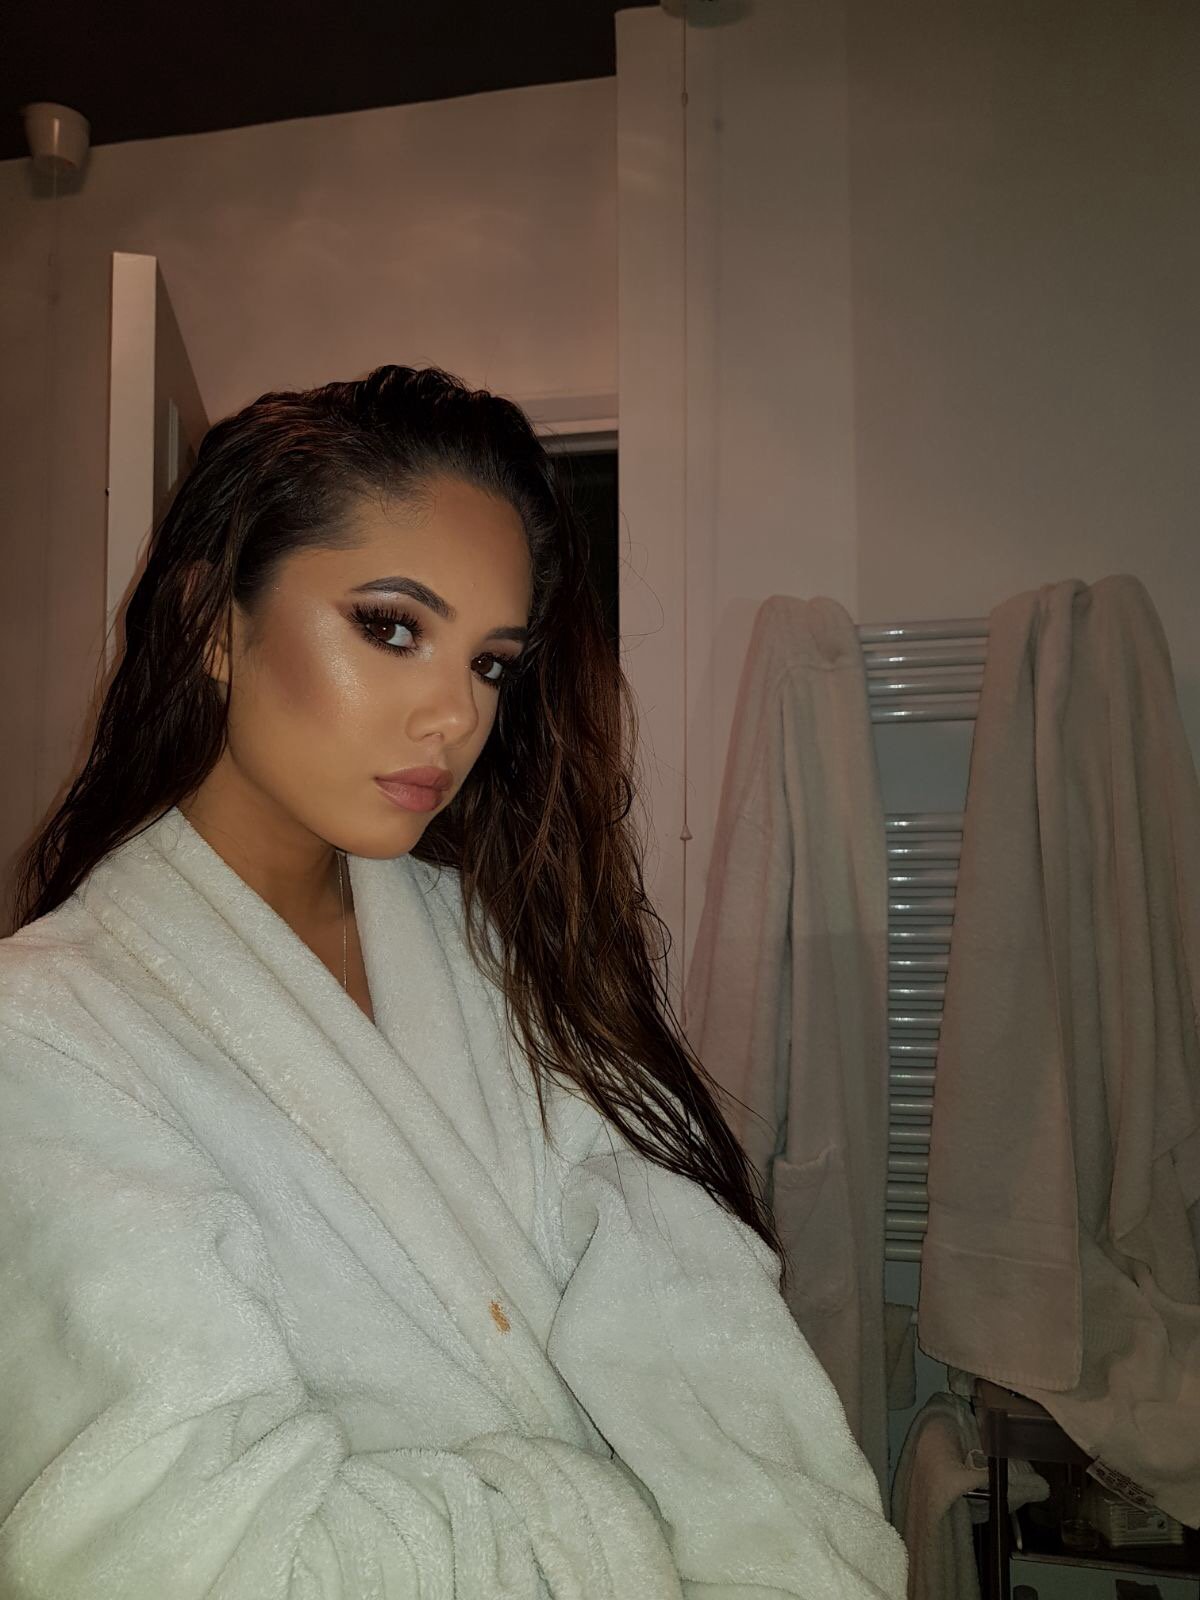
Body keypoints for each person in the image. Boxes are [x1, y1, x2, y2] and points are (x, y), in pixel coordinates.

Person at [0, 364, 907, 1598]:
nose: (454, 716)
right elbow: (183, 1557)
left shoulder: (495, 952)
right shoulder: (49, 1031)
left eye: (490, 663)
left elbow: (716, 1356)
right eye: (391, 627)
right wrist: (601, 1525)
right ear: (213, 622)